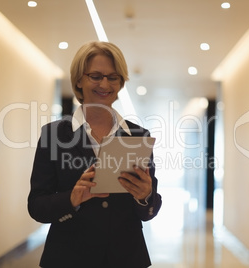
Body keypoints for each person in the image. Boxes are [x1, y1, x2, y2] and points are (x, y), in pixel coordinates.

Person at [28, 41, 162, 268]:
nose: (105, 84)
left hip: (126, 258)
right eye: (96, 76)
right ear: (79, 79)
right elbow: (37, 206)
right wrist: (72, 198)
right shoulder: (53, 135)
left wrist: (145, 195)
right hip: (68, 257)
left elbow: (149, 210)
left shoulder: (138, 135)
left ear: (120, 82)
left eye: (113, 77)